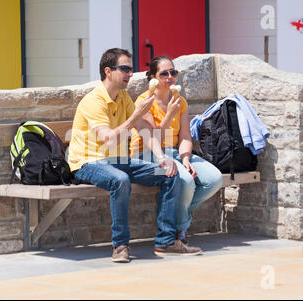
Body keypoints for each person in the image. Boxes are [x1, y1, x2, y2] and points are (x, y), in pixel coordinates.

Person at [68, 48, 202, 263]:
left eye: (131, 69)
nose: (130, 74)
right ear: (108, 71)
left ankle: (166, 242)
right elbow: (109, 139)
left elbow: (145, 130)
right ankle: (120, 245)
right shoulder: (94, 101)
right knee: (120, 180)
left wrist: (161, 158)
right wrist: (136, 116)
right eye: (125, 69)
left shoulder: (123, 97)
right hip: (88, 162)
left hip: (120, 162)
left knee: (170, 173)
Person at [130, 55, 223, 244]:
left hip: (174, 152)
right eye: (164, 73)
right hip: (146, 154)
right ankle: (180, 229)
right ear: (153, 78)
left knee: (215, 179)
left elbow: (186, 137)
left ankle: (173, 212)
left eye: (173, 72)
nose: (170, 77)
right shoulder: (144, 101)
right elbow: (153, 139)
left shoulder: (179, 101)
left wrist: (186, 158)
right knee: (186, 181)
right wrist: (169, 115)